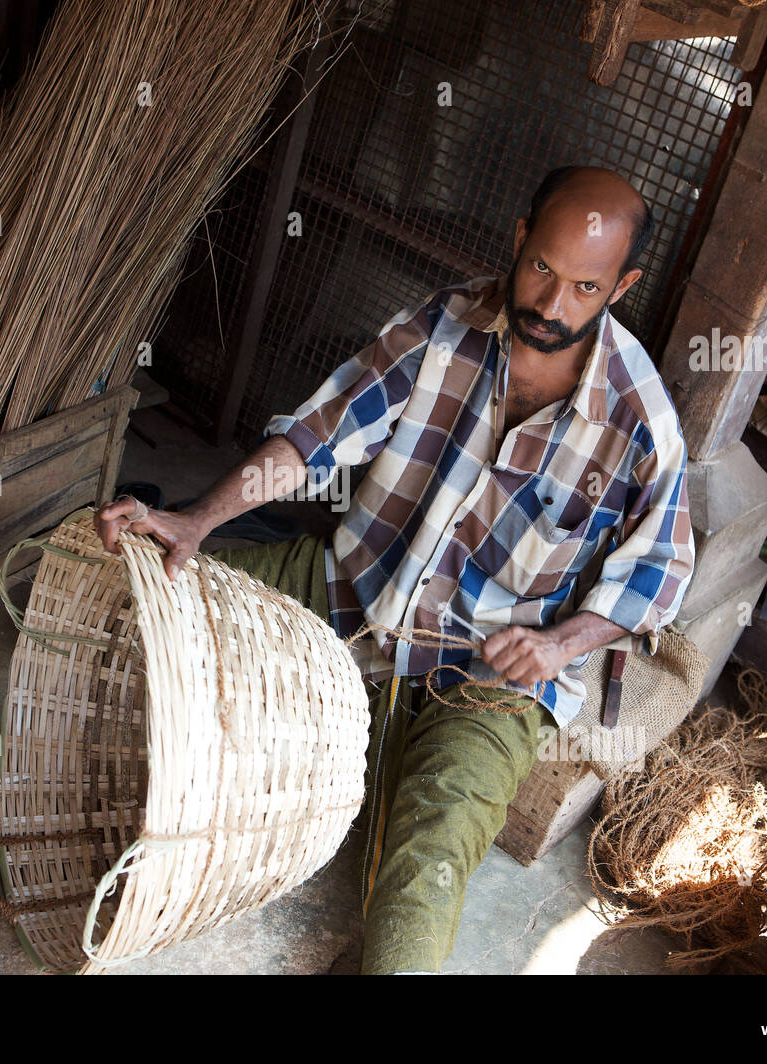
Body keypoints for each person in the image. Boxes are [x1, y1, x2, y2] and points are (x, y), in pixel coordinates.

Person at [95, 165, 696, 974]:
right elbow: (318, 441)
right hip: (354, 591)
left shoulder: (640, 421)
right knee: (151, 598)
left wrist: (559, 645)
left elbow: (656, 575)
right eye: (541, 269)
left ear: (621, 285)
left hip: (490, 678)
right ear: (519, 241)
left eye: (585, 288)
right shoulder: (441, 326)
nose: (551, 305)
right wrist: (198, 519)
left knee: (427, 864)